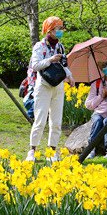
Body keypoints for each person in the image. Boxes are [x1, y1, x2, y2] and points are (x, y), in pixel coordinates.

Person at [26, 16, 75, 162]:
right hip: (43, 86)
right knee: (40, 120)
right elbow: (35, 65)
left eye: (61, 28)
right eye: (58, 28)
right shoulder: (39, 46)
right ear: (50, 30)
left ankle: (52, 151)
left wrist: (70, 76)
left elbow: (64, 64)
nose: (60, 31)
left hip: (58, 86)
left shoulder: (60, 46)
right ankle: (32, 151)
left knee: (56, 121)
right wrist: (50, 60)